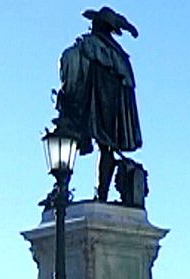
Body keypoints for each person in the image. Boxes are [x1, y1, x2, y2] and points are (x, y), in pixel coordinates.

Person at [54, 6, 142, 202]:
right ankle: (97, 192)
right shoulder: (117, 56)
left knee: (86, 144)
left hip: (94, 102)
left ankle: (67, 190)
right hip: (101, 105)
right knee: (105, 147)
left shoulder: (90, 47)